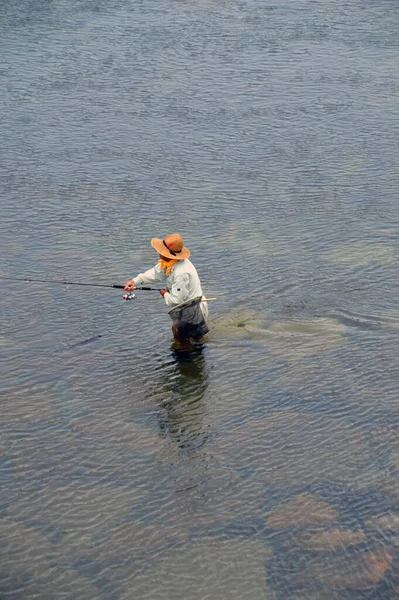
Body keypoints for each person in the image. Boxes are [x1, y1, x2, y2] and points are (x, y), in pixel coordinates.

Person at [124, 233, 209, 340]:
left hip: (194, 309)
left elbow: (177, 299)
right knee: (189, 338)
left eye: (161, 251)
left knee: (178, 332)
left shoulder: (181, 273)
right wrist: (135, 281)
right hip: (188, 306)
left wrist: (165, 295)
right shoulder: (170, 262)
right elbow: (156, 273)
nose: (159, 252)